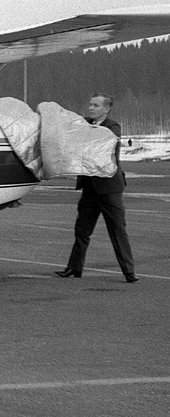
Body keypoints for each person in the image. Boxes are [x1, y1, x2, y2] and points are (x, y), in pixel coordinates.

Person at [56, 95, 137, 282]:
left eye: (96, 105)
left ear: (106, 109)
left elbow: (101, 142)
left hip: (109, 188)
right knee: (81, 231)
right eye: (90, 104)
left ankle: (129, 272)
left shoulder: (112, 127)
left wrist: (81, 130)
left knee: (117, 231)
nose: (91, 108)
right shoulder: (84, 123)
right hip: (90, 188)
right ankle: (74, 268)